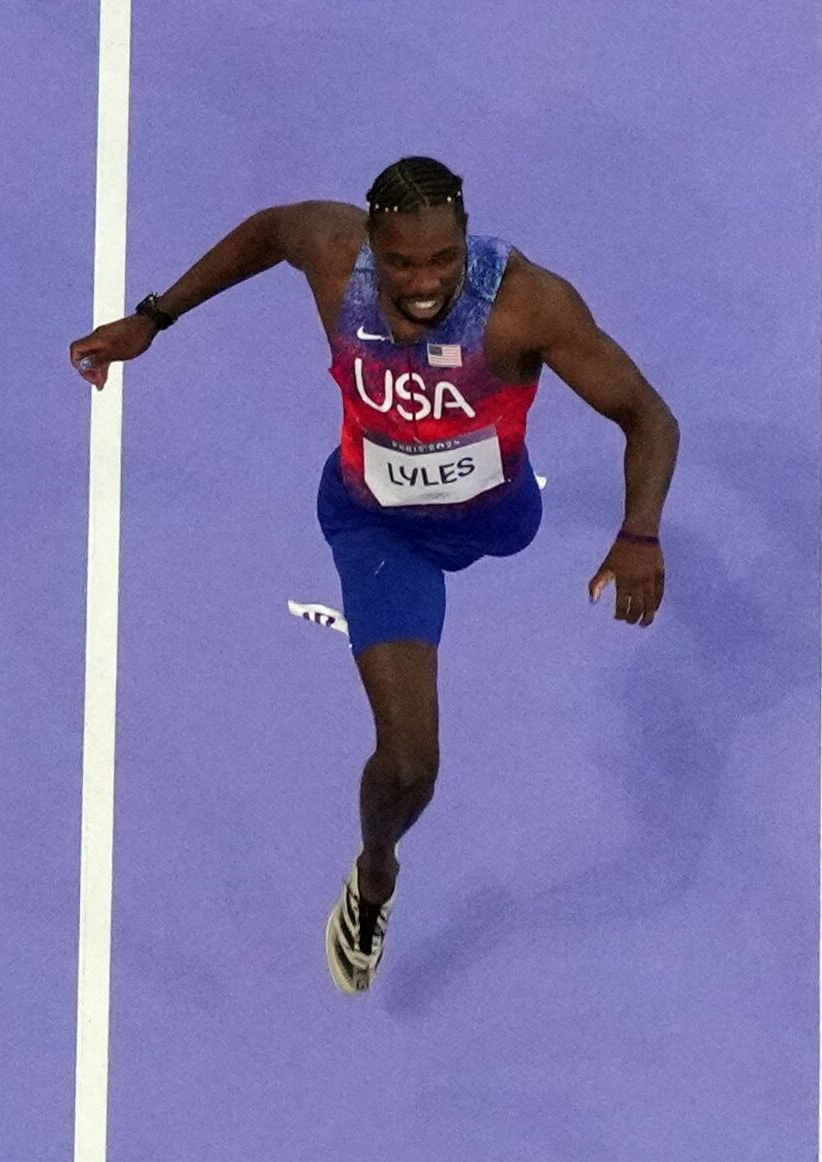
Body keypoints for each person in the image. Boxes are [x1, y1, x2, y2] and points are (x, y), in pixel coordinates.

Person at [68, 156, 680, 993]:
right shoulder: (331, 252)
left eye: (442, 261)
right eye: (401, 263)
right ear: (370, 245)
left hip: (499, 516)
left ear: (466, 243)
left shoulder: (528, 304)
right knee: (409, 763)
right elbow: (271, 230)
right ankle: (376, 873)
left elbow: (647, 415)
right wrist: (154, 318)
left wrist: (639, 532)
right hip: (378, 526)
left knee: (517, 529)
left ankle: (499, 511)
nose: (423, 283)